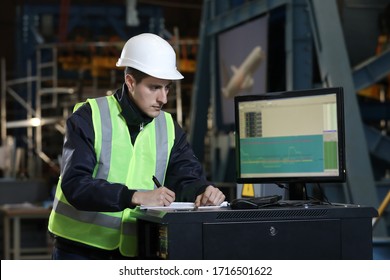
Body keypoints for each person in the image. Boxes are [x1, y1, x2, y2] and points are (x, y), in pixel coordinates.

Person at [48, 33, 225, 260]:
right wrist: (136, 196)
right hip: (78, 250)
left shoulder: (169, 126)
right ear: (130, 82)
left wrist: (204, 191)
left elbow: (186, 178)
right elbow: (76, 185)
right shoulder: (89, 116)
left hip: (135, 251)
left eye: (167, 88)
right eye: (154, 88)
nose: (164, 98)